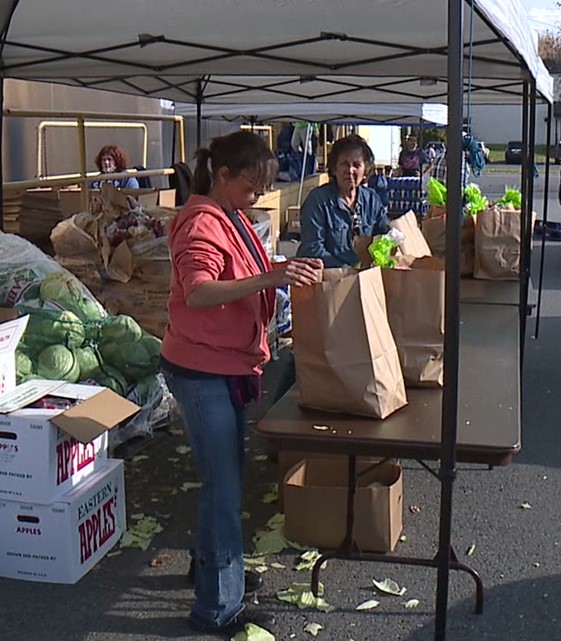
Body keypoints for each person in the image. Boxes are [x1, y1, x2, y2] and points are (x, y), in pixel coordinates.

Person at [160, 130, 321, 636]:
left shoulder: (228, 216)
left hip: (225, 365)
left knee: (221, 480)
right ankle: (217, 607)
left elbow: (245, 272)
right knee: (224, 488)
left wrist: (282, 269)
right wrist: (271, 279)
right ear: (224, 176)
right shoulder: (200, 223)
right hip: (203, 369)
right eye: (252, 187)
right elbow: (201, 291)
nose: (258, 197)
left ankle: (210, 567)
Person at [297, 133, 390, 267]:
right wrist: (349, 271)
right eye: (344, 164)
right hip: (329, 281)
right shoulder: (318, 200)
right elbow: (312, 249)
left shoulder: (372, 199)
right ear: (334, 168)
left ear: (365, 170)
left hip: (365, 278)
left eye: (356, 165)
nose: (350, 170)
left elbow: (384, 234)